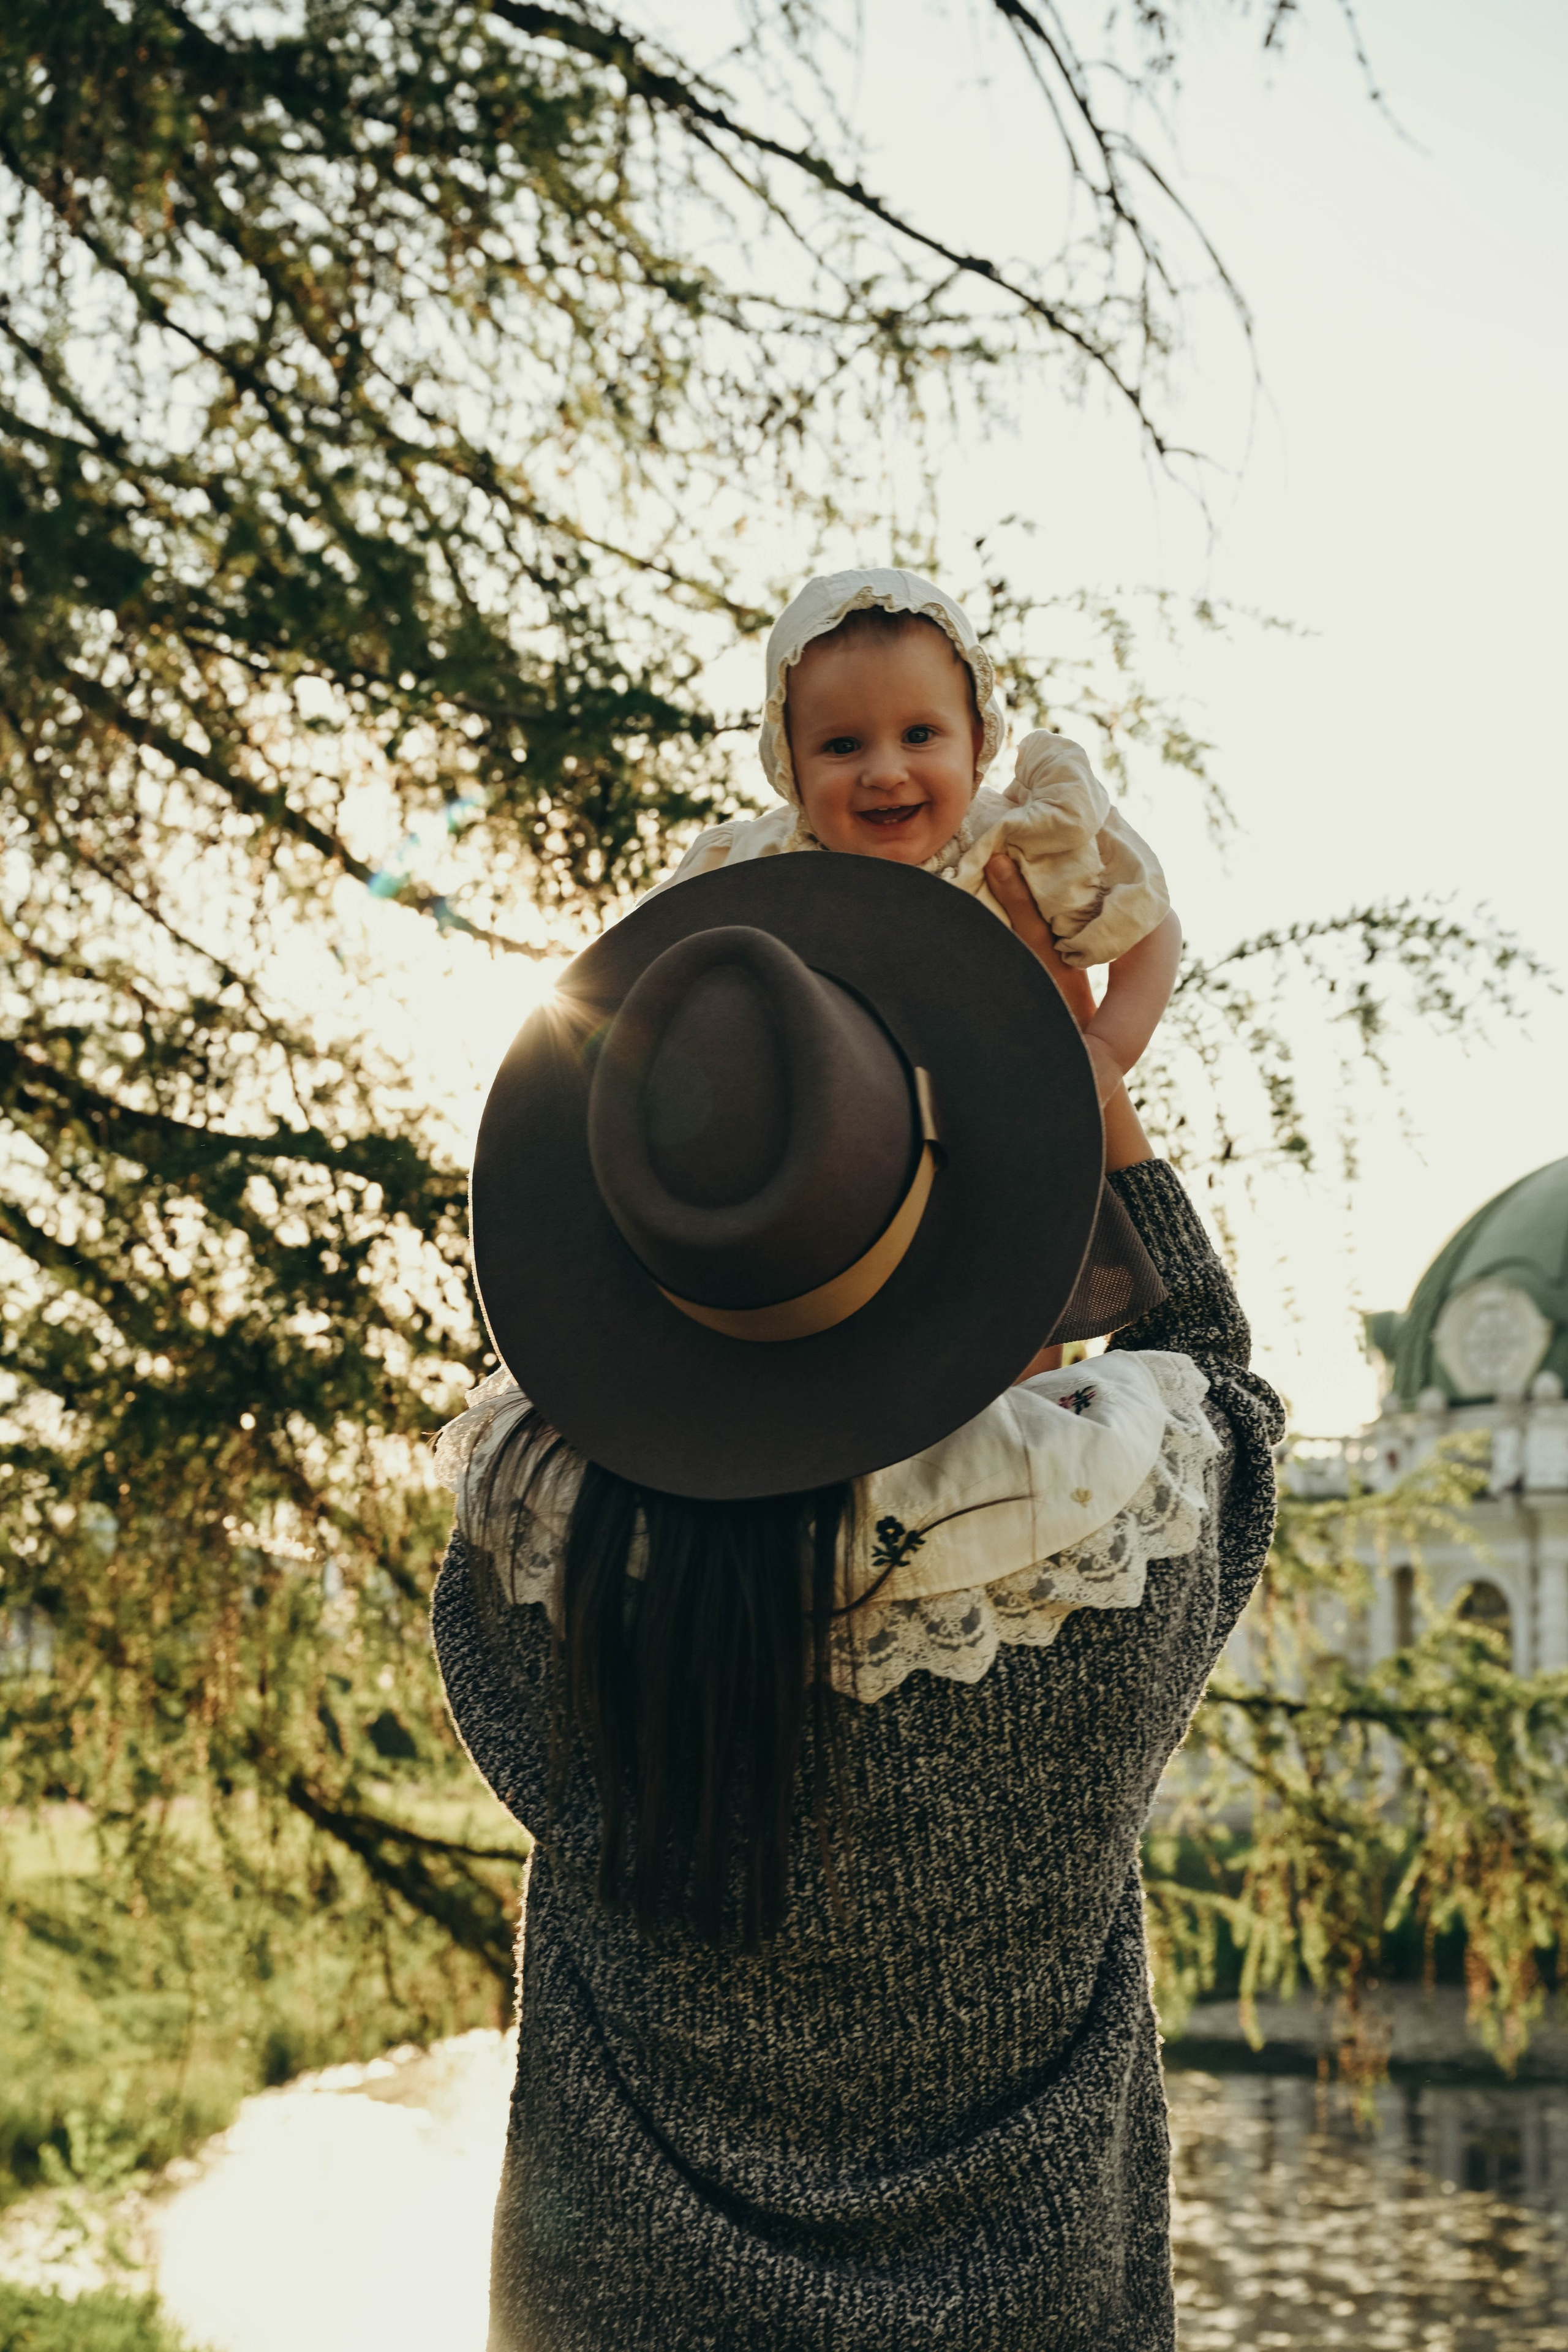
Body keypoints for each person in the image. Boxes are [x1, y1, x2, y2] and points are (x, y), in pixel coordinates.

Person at [432, 848, 1283, 2350]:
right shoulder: (1095, 1553)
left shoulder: (537, 1562)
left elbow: (547, 1406)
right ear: (960, 1213)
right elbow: (1221, 1385)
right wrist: (1087, 1084)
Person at [662, 567, 1183, 1106]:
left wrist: (1105, 1051)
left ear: (976, 738)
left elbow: (1151, 926)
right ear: (789, 761)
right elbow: (639, 969)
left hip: (1003, 1124)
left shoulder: (1018, 841)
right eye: (842, 746)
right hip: (827, 1130)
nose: (885, 773)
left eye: (918, 735)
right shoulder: (754, 865)